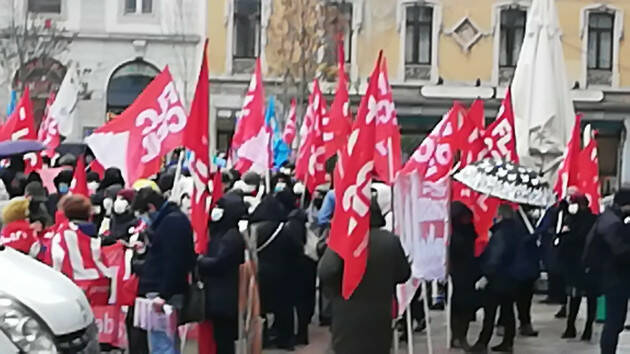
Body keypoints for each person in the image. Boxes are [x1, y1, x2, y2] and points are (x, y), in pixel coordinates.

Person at [318, 199, 411, 354]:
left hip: (346, 315)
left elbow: (326, 272)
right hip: (380, 314)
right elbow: (404, 274)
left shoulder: (344, 239)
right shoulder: (390, 240)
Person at [132, 187, 196, 353]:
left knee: (162, 344)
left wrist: (163, 294)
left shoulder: (172, 223)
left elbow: (174, 262)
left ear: (151, 207)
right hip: (163, 290)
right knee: (164, 342)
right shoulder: (170, 221)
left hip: (162, 293)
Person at [471, 204, 528, 353]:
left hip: (498, 279)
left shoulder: (501, 234)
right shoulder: (517, 231)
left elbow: (495, 257)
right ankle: (508, 342)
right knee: (508, 311)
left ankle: (482, 343)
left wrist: (486, 275)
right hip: (512, 277)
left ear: (500, 216)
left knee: (489, 313)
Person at [197, 192, 247, 354]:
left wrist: (199, 261)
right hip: (220, 294)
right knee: (220, 339)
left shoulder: (231, 237)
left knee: (224, 341)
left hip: (224, 296)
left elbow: (219, 263)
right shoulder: (223, 233)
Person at [250, 195, 302, 350]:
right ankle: (286, 339)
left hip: (259, 273)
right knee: (284, 308)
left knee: (260, 309)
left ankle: (262, 338)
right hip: (282, 274)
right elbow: (297, 250)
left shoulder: (253, 230)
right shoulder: (284, 230)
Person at [586, 188, 630, 354]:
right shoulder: (612, 223)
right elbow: (620, 250)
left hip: (615, 278)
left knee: (615, 322)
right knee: (613, 322)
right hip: (615, 279)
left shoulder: (610, 219)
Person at [558, 193, 598, 340]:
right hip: (591, 265)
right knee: (590, 297)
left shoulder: (573, 220)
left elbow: (569, 240)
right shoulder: (594, 220)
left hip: (576, 263)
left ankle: (571, 327)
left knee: (575, 297)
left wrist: (565, 235)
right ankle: (587, 327)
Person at [449, 202, 481, 350]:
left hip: (465, 274)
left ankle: (459, 336)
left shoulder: (464, 232)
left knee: (463, 306)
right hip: (461, 274)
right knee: (461, 306)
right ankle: (458, 336)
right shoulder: (457, 234)